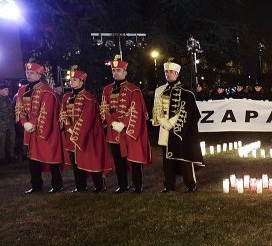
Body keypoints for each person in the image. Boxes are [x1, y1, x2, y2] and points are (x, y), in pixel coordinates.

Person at [101, 55, 152, 193]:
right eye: (113, 70)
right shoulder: (106, 90)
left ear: (125, 72)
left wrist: (122, 124)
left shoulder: (133, 89)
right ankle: (122, 185)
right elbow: (104, 109)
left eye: (118, 70)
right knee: (118, 161)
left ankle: (137, 185)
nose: (115, 73)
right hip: (113, 130)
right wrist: (112, 123)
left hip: (129, 129)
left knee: (134, 159)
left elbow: (135, 108)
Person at [151, 58, 203, 193]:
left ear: (177, 74)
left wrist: (172, 125)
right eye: (166, 72)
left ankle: (190, 185)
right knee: (167, 160)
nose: (168, 74)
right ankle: (169, 185)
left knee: (184, 159)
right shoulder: (160, 91)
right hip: (164, 131)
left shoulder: (187, 93)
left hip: (180, 131)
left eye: (171, 72)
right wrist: (163, 122)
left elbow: (189, 113)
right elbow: (157, 109)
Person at [15, 60, 63, 193]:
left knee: (51, 157)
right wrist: (25, 123)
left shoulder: (47, 91)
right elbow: (19, 108)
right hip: (29, 130)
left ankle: (57, 185)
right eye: (27, 72)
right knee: (32, 159)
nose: (28, 75)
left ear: (39, 74)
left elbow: (45, 111)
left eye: (31, 73)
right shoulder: (22, 90)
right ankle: (36, 185)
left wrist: (33, 124)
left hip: (46, 129)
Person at [61, 67, 110, 192]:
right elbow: (63, 113)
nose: (71, 82)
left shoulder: (89, 98)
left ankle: (99, 185)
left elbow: (87, 117)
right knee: (75, 162)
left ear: (82, 81)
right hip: (71, 134)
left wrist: (74, 129)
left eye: (74, 80)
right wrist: (68, 127)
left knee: (91, 160)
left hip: (87, 135)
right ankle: (80, 186)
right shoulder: (66, 97)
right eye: (70, 79)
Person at [0, 82, 16, 163]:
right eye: (5, 89)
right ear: (0, 90)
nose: (7, 91)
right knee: (2, 142)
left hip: (10, 123)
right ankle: (2, 158)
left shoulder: (8, 98)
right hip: (1, 125)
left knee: (11, 140)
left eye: (8, 89)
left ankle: (11, 156)